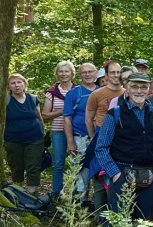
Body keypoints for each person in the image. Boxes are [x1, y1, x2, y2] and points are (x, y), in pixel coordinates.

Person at [94, 73, 153, 221]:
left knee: (142, 222)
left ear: (149, 89)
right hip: (122, 172)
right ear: (127, 88)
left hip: (149, 175)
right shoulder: (114, 114)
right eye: (134, 87)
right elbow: (101, 147)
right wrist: (115, 173)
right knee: (119, 222)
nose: (139, 91)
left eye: (143, 87)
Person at [5, 74, 46, 194]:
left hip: (34, 138)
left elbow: (39, 116)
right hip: (12, 140)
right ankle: (18, 192)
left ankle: (32, 194)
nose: (16, 85)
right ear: (8, 86)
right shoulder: (5, 100)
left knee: (33, 166)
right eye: (13, 83)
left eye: (19, 82)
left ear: (24, 84)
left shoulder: (33, 98)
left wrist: (43, 132)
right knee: (16, 167)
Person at [42, 61, 75, 197]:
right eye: (61, 71)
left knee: (76, 163)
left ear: (72, 73)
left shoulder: (78, 90)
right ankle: (56, 193)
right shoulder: (52, 92)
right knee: (58, 163)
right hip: (58, 131)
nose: (63, 74)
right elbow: (45, 115)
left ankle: (76, 194)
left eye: (66, 71)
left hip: (76, 131)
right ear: (57, 74)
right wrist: (64, 110)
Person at [63, 62, 98, 158]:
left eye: (90, 72)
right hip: (79, 138)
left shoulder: (102, 91)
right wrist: (70, 142)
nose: (87, 74)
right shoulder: (73, 93)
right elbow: (67, 119)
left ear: (96, 73)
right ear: (80, 75)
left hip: (99, 138)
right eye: (84, 72)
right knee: (79, 166)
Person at [85, 61, 124, 138]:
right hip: (101, 132)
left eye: (118, 72)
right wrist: (93, 138)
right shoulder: (95, 94)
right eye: (112, 72)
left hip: (122, 133)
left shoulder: (127, 93)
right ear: (106, 75)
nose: (116, 75)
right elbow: (88, 120)